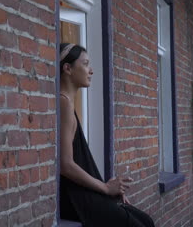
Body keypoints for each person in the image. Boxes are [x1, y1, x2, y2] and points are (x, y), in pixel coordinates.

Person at [59, 43, 155, 227]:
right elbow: (65, 164)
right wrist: (104, 187)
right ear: (68, 68)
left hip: (81, 192)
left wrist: (107, 188)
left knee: (145, 221)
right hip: (74, 198)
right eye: (85, 64)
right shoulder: (64, 103)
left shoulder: (67, 103)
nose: (91, 70)